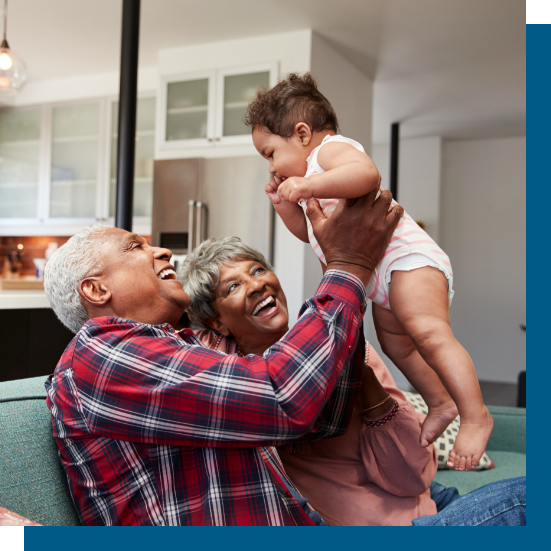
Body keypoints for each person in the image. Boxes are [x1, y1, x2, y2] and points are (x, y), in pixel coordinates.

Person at [43, 189, 403, 525]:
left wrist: (342, 267)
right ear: (96, 289)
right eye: (135, 247)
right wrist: (347, 268)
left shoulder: (177, 346)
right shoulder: (101, 354)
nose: (163, 252)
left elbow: (321, 419)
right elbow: (282, 398)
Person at [178, 237, 526, 526]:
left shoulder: (335, 343)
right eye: (234, 286)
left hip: (422, 492)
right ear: (217, 323)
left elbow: (412, 478)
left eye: (257, 270)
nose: (256, 285)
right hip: (388, 523)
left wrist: (363, 378)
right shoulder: (231, 379)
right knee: (524, 501)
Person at [246, 72, 493, 471]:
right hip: (378, 275)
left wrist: (307, 187)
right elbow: (309, 234)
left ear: (303, 134)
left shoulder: (327, 153)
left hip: (405, 259)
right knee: (400, 346)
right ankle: (440, 401)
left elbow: (367, 175)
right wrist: (283, 205)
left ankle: (477, 415)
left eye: (270, 152)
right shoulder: (310, 175)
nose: (271, 164)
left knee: (429, 333)